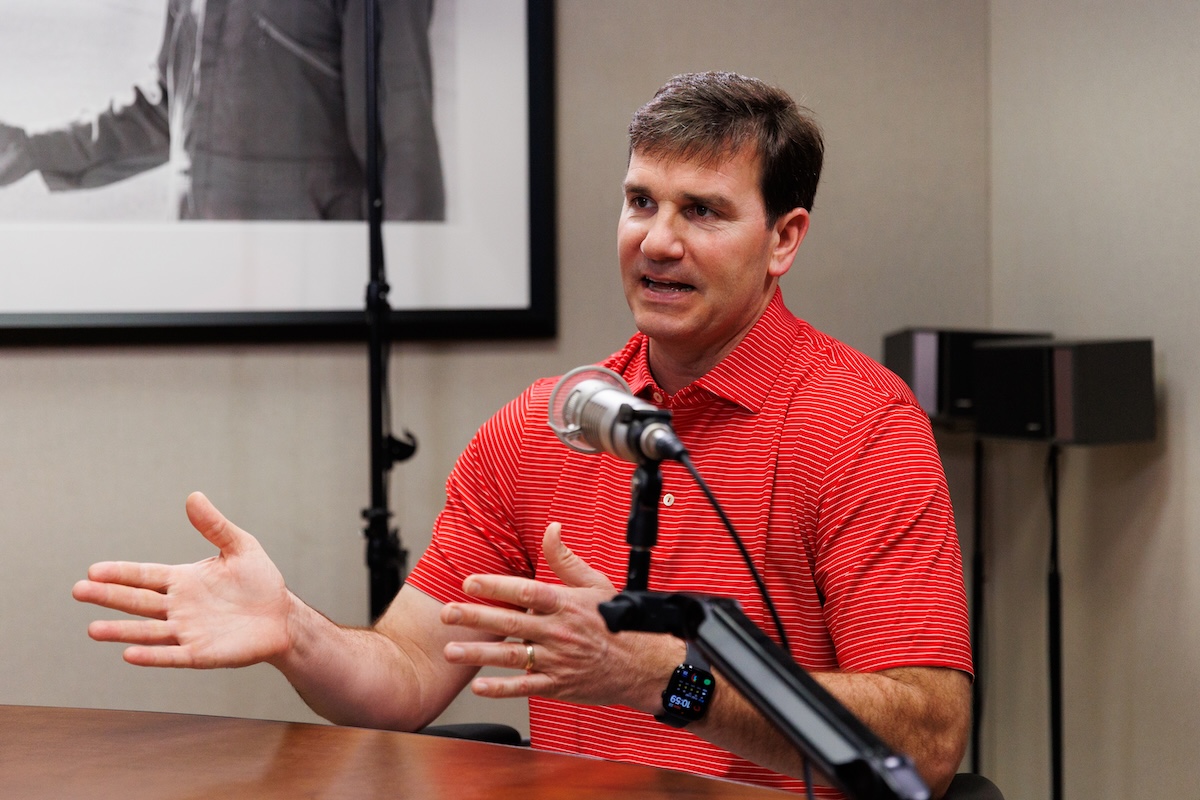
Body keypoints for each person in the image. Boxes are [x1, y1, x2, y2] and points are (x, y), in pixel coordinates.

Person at [72, 72, 972, 798]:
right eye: (639, 202)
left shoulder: (860, 425)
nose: (656, 241)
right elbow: (409, 678)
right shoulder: (543, 426)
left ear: (784, 239)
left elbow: (926, 742)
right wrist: (292, 631)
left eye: (702, 211)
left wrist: (665, 677)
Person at [0, 0, 443, 221]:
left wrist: (410, 330)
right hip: (199, 289)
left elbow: (402, 148)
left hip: (309, 311)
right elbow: (171, 109)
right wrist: (36, 148)